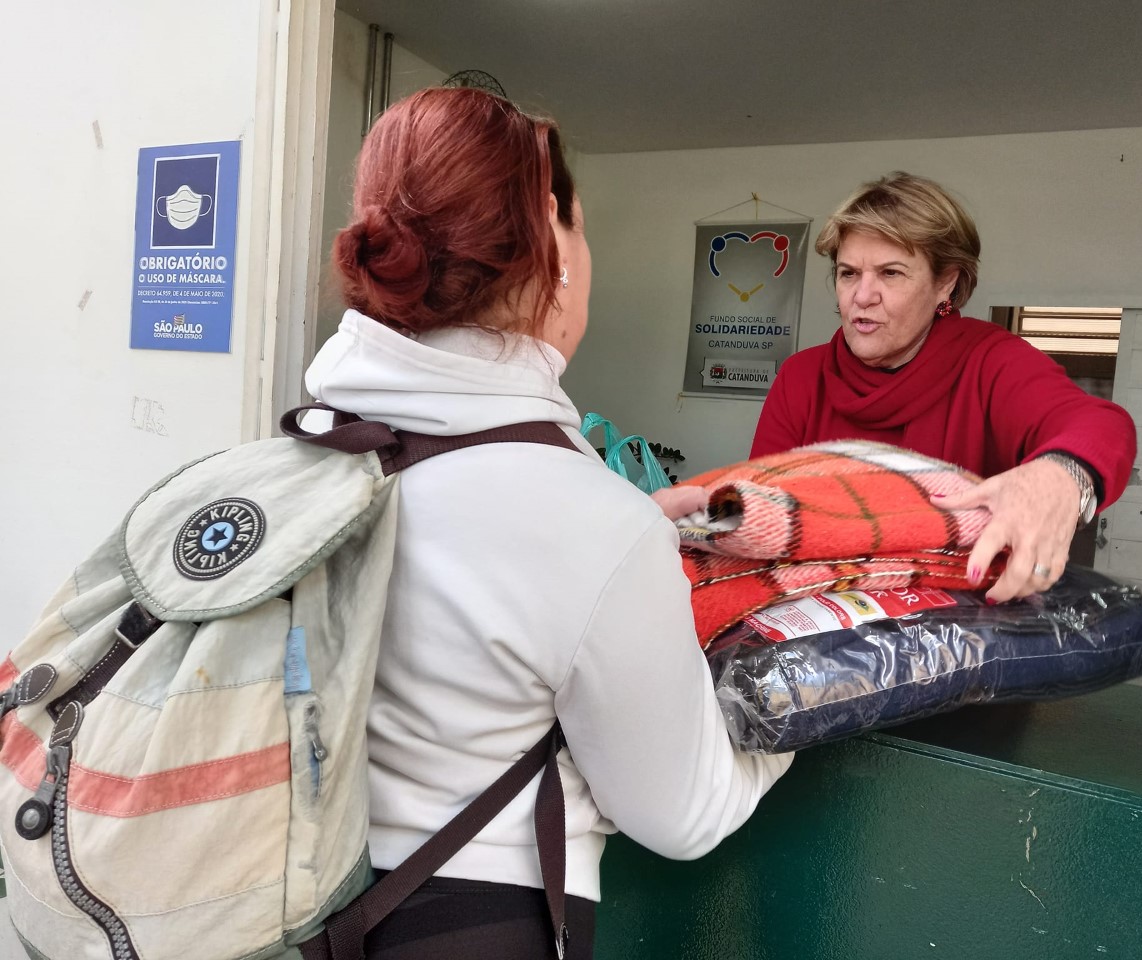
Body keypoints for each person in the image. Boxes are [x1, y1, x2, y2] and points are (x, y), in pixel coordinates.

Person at [309, 87, 791, 959]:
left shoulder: (310, 445)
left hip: (287, 905)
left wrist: (624, 538)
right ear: (553, 248)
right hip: (467, 927)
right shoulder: (586, 524)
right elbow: (685, 814)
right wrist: (799, 717)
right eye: (580, 225)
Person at [750, 172, 1136, 603]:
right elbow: (761, 511)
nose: (862, 295)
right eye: (848, 273)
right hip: (817, 617)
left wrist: (1061, 476)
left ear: (945, 283)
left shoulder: (991, 361)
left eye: (890, 273)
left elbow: (1100, 425)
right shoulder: (802, 377)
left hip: (961, 629)